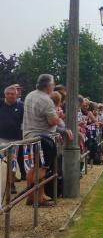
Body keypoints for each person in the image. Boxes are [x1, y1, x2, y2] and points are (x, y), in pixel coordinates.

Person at [23, 74, 62, 206]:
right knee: (41, 169)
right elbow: (52, 121)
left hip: (28, 136)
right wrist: (58, 116)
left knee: (33, 168)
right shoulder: (46, 100)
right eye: (52, 84)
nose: (53, 86)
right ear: (48, 86)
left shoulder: (30, 95)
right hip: (42, 138)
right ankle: (38, 199)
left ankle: (31, 196)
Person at [0, 85, 25, 191]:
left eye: (12, 94)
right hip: (0, 137)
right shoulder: (0, 103)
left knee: (12, 162)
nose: (10, 96)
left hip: (15, 138)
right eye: (8, 94)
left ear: (16, 95)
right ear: (4, 94)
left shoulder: (21, 106)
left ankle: (10, 184)